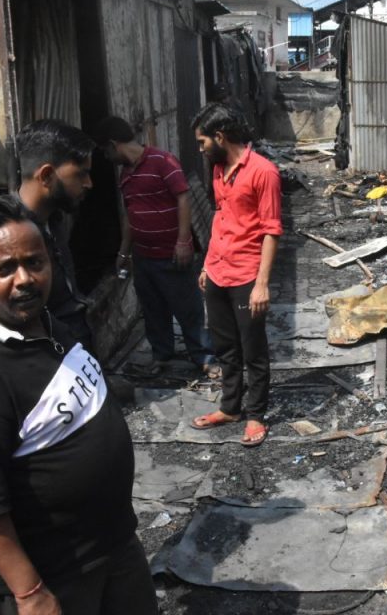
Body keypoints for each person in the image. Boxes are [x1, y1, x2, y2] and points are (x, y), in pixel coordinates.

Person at [0, 194, 158, 615]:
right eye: (3, 269)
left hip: (112, 548)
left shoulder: (44, 322)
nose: (25, 279)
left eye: (34, 262)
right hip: (55, 576)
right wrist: (30, 591)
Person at [92, 115, 218, 378]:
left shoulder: (162, 161)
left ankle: (204, 357)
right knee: (153, 309)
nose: (105, 157)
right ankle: (162, 355)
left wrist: (183, 241)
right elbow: (130, 213)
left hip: (171, 254)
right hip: (143, 256)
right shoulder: (126, 173)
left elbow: (183, 198)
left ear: (114, 144)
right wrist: (124, 252)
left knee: (188, 307)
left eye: (105, 150)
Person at [189, 103, 282, 447]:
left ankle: (255, 414)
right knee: (225, 346)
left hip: (246, 275)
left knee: (253, 349)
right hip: (218, 272)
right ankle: (230, 407)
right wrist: (207, 264)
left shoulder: (263, 172)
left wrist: (261, 284)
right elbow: (221, 216)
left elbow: (271, 230)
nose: (200, 149)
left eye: (202, 142)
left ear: (220, 136)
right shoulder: (217, 170)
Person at [16, 119, 95, 347]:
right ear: (47, 176)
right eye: (81, 174)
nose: (89, 183)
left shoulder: (55, 218)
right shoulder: (13, 236)